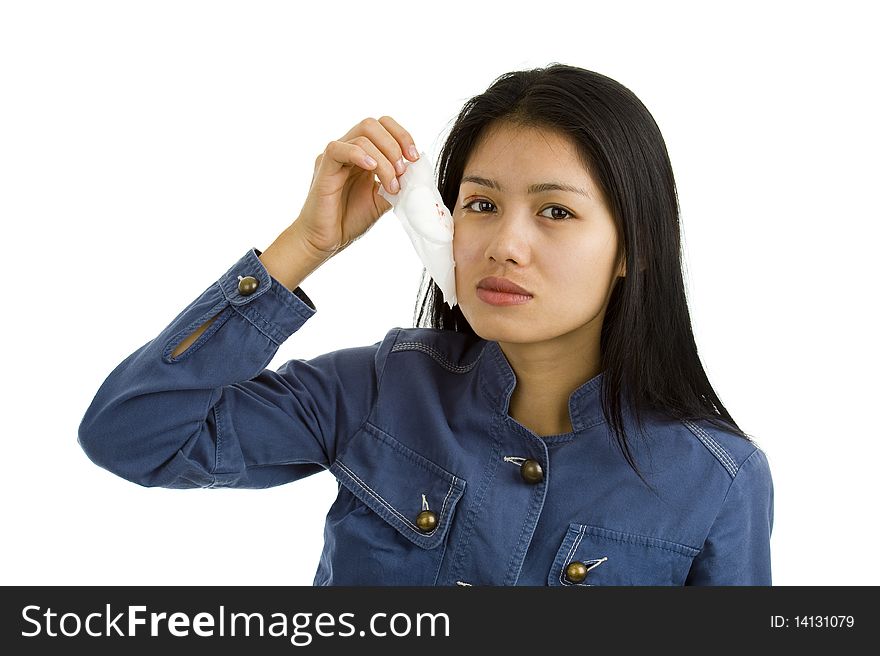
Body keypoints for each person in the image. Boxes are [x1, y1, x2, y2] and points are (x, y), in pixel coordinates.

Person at [78, 63, 774, 586]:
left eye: (555, 212)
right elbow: (132, 436)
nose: (505, 244)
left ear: (635, 249)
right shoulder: (381, 388)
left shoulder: (717, 481)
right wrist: (303, 246)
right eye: (479, 205)